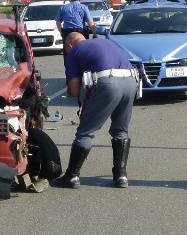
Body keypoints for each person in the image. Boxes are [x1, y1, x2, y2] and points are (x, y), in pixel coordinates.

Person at [53, 32, 139, 189]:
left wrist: (84, 99)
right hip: (131, 81)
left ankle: (71, 176)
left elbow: (73, 89)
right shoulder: (104, 42)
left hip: (108, 84)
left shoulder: (74, 52)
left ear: (69, 45)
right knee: (121, 130)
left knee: (86, 132)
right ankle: (121, 176)